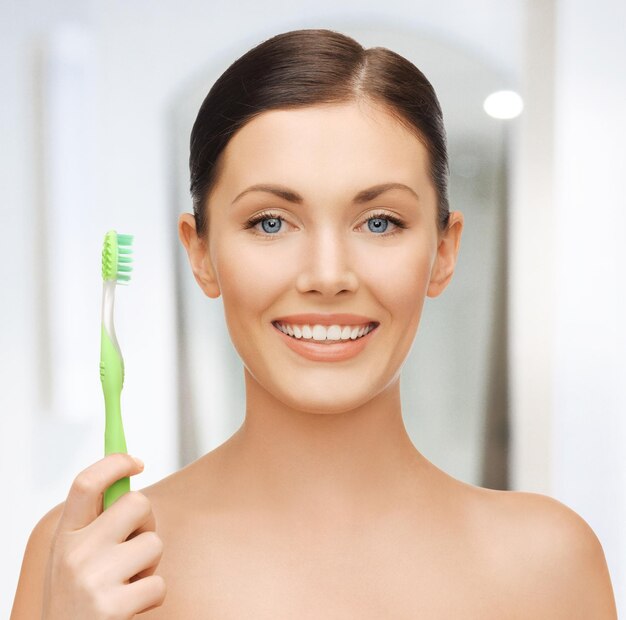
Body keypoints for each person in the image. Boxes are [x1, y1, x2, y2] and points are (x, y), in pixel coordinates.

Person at [11, 28, 617, 619]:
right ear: (200, 253)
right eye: (270, 222)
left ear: (444, 251)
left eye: (380, 222)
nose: (328, 276)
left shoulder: (548, 564)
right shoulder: (85, 560)